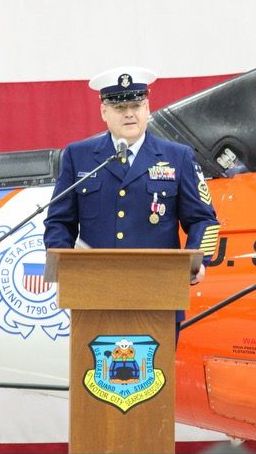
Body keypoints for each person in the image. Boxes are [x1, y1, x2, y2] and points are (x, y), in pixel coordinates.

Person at [43, 66, 220, 343]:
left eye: (136, 105)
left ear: (147, 108)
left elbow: (204, 219)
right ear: (104, 112)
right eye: (120, 107)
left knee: (153, 382)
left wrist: (197, 261)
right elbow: (59, 221)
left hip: (159, 294)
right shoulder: (79, 157)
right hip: (94, 295)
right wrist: (66, 263)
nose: (129, 113)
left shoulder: (178, 157)